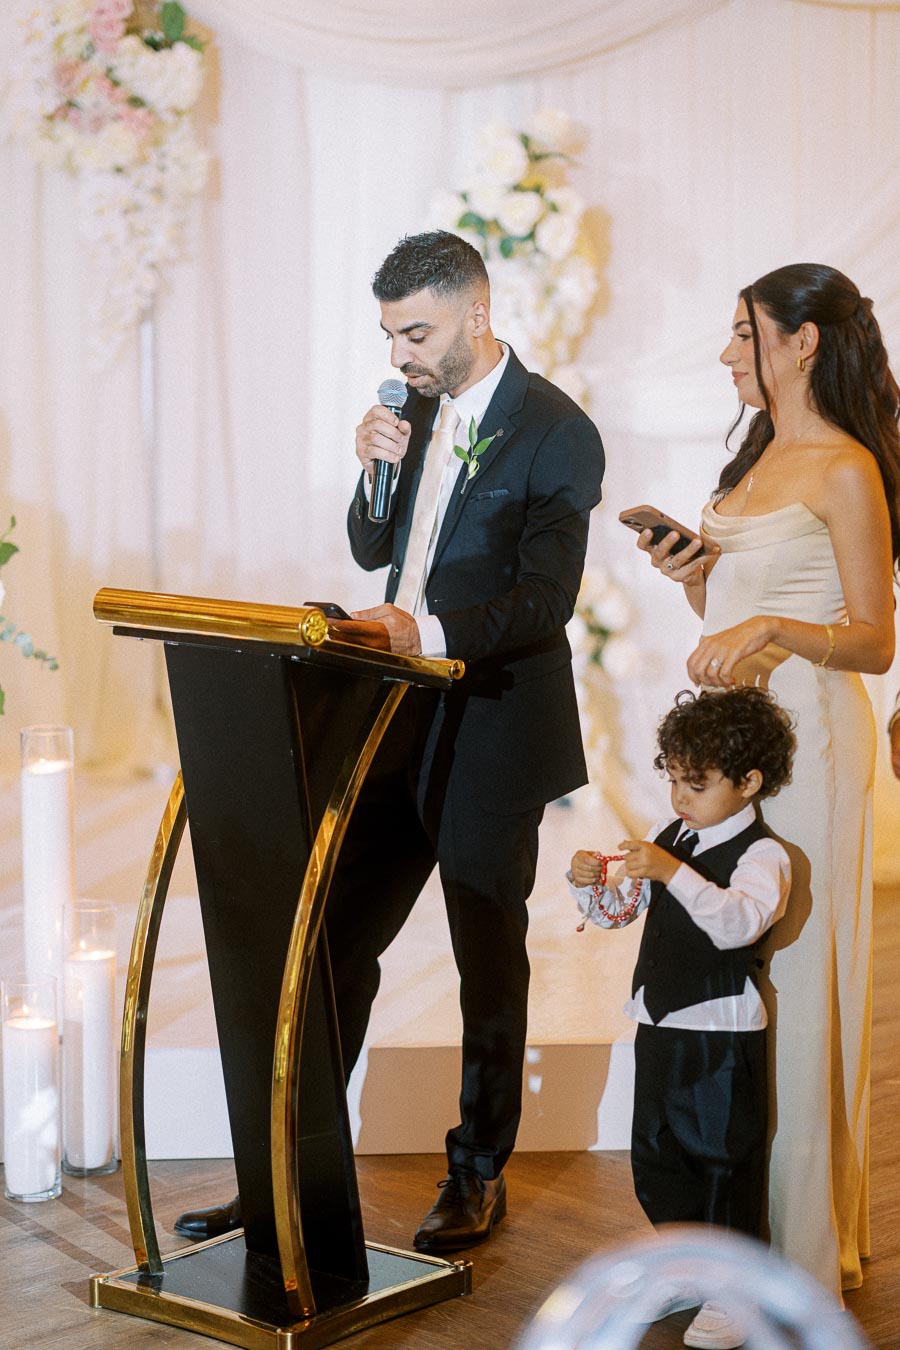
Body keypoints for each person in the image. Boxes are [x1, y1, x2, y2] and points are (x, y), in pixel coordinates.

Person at [173, 229, 605, 1249]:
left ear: (477, 314)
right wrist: (371, 473)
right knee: (333, 940)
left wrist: (431, 632)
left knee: (484, 952)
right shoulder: (409, 408)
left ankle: (477, 1172)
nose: (401, 354)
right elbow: (374, 549)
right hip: (393, 718)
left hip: (494, 719)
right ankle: (292, 1168)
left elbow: (547, 599)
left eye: (417, 333)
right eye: (390, 335)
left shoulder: (557, 430)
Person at [636, 263, 900, 1300]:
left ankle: (795, 1249)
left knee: (794, 974)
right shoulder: (753, 457)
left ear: (803, 342)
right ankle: (729, 1223)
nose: (726, 353)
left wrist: (770, 626)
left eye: (744, 334)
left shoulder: (847, 467)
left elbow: (874, 640)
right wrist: (699, 579)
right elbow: (732, 614)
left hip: (814, 745)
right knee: (730, 969)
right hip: (740, 742)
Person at [570, 686, 795, 1350]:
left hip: (721, 1033)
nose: (679, 799)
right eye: (673, 780)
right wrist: (591, 884)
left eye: (696, 785)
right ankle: (685, 1264)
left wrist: (674, 871)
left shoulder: (764, 856)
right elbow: (621, 912)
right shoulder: (670, 836)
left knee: (722, 1159)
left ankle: (735, 1289)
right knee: (657, 1153)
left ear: (749, 782)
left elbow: (737, 925)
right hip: (658, 1024)